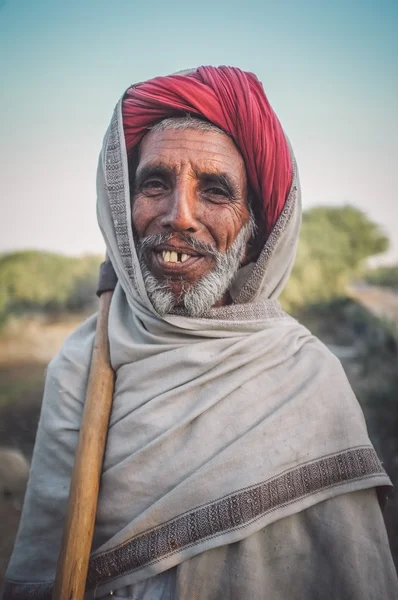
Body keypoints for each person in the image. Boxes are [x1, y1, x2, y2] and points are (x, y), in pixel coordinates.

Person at [3, 66, 397, 599]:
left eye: (215, 191)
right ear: (123, 211)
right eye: (155, 183)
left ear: (257, 231)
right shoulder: (81, 365)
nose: (179, 216)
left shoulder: (307, 376)